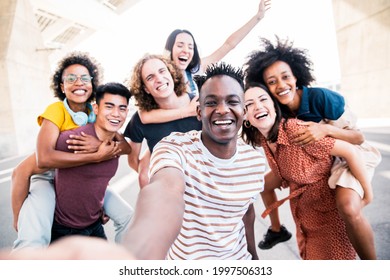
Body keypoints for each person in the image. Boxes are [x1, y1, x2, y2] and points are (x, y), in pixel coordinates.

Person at [244, 37, 381, 259]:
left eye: (285, 77)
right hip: (325, 153)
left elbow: (357, 138)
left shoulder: (320, 97)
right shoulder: (277, 111)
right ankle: (276, 229)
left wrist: (326, 130)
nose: (280, 85)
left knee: (348, 207)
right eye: (272, 81)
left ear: (296, 76)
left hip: (350, 152)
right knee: (263, 183)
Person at [122, 62, 265, 260]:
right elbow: (166, 189)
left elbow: (246, 212)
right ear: (198, 112)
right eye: (211, 103)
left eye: (232, 102)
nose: (222, 109)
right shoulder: (173, 147)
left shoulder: (254, 161)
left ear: (245, 111)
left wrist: (254, 257)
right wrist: (145, 238)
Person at [11, 52, 133, 250]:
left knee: (127, 216)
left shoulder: (95, 114)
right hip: (48, 175)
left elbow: (124, 147)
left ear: (92, 85)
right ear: (61, 86)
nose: (79, 82)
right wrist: (95, 155)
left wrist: (97, 197)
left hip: (77, 176)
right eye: (71, 78)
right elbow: (43, 159)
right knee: (33, 236)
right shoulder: (56, 110)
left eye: (85, 78)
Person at [137, 0, 271, 125]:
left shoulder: (196, 69)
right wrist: (186, 112)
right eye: (180, 45)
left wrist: (257, 17)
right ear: (169, 49)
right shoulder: (160, 79)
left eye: (190, 47)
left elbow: (229, 44)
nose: (186, 50)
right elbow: (145, 116)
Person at [51, 82, 131, 242]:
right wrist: (22, 218)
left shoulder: (116, 143)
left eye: (122, 108)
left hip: (94, 224)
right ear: (96, 108)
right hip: (66, 230)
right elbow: (33, 166)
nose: (116, 114)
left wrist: (99, 204)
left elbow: (126, 150)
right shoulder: (74, 139)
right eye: (109, 106)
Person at [123, 54, 202, 187]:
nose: (159, 79)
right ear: (146, 89)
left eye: (162, 71)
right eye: (150, 77)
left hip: (205, 188)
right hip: (170, 194)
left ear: (171, 73)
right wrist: (152, 173)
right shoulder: (140, 120)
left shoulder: (197, 103)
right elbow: (133, 160)